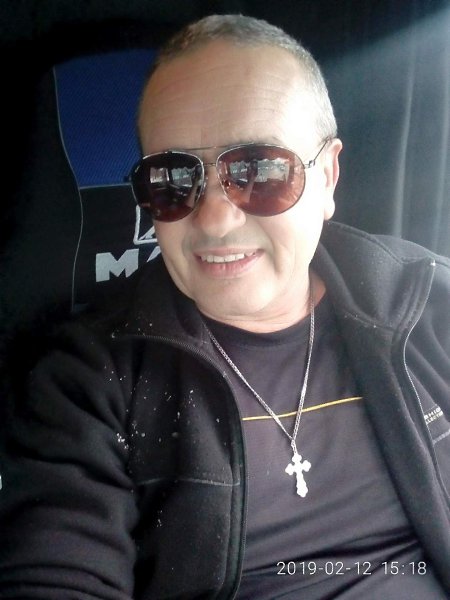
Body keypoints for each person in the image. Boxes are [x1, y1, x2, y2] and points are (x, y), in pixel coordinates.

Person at [0, 13, 449, 600]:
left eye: (259, 171)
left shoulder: (428, 302)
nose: (213, 220)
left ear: (327, 178)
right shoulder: (87, 379)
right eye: (171, 178)